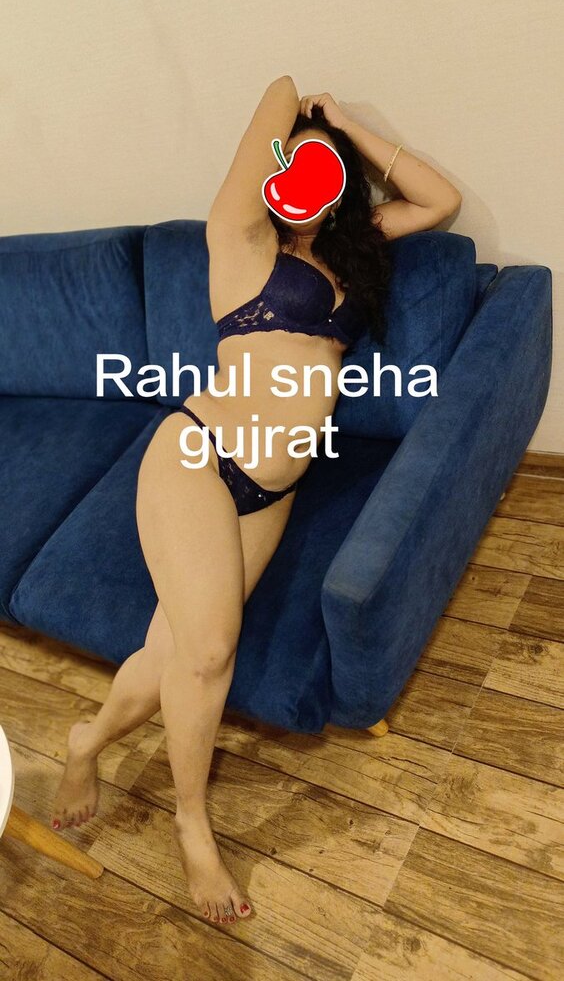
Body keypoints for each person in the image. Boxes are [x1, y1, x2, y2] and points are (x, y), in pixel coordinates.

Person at [50, 77, 462, 926]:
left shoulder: (353, 249)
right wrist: (302, 113)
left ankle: (84, 742)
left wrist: (347, 128)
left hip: (270, 492)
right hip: (198, 457)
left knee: (173, 652)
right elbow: (278, 88)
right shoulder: (239, 239)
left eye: (320, 169)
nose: (300, 180)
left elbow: (440, 200)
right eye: (290, 165)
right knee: (209, 652)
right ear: (273, 174)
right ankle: (191, 822)